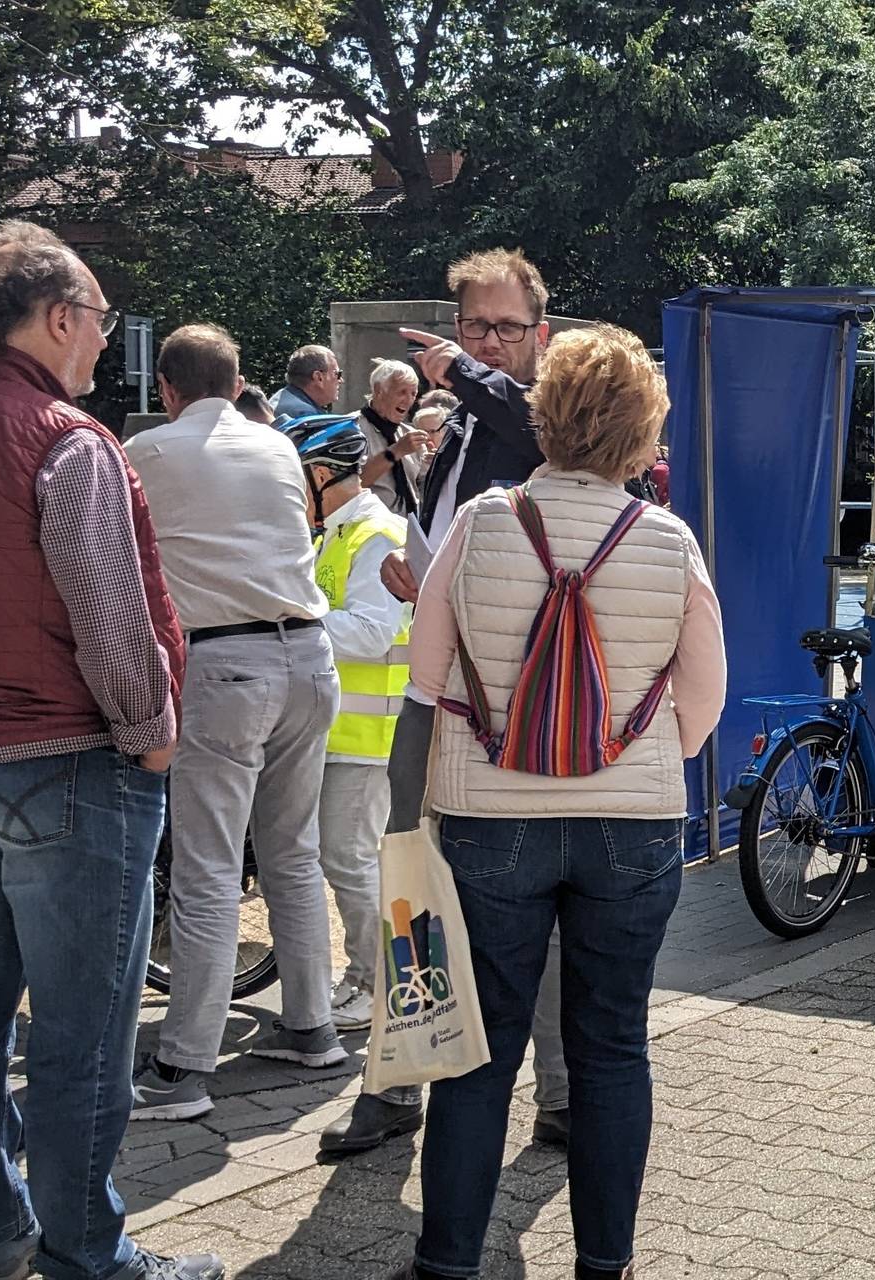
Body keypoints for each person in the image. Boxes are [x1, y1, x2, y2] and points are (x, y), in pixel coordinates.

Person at [0, 220, 214, 1280]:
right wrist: (152, 732)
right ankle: (91, 1252)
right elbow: (110, 613)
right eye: (100, 321)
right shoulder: (65, 437)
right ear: (62, 318)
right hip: (70, 760)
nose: (102, 343)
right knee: (85, 1032)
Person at [388, 322, 727, 1280]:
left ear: (544, 416)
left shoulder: (483, 522)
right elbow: (703, 696)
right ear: (640, 431)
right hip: (631, 825)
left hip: (492, 818)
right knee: (612, 1045)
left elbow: (425, 672)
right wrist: (634, 757)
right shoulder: (668, 540)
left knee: (480, 1052)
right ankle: (603, 1263)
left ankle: (448, 1260)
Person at [123, 324, 344, 1122]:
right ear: (239, 379)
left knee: (208, 869)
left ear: (166, 391)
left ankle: (184, 1066)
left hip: (223, 665)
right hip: (310, 658)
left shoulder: (146, 453)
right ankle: (312, 1026)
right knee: (293, 854)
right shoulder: (278, 447)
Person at [382, 248, 574, 1145]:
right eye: (472, 327)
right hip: (437, 694)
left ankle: (561, 1095)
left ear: (542, 335)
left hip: (513, 711)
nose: (488, 344)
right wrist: (413, 570)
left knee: (522, 910)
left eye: (505, 328)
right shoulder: (456, 424)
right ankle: (401, 1079)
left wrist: (463, 370)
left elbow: (531, 428)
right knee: (410, 890)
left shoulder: (548, 420)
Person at [275, 417, 433, 1157]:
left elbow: (372, 632)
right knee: (344, 861)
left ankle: (374, 985)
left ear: (326, 473)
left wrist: (296, 618)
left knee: (352, 860)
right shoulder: (336, 533)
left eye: (298, 474)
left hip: (370, 736)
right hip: (341, 732)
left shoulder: (374, 534)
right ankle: (367, 979)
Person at [358, 357, 431, 516]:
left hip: (409, 530)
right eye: (401, 392)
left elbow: (424, 488)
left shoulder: (409, 434)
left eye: (413, 393)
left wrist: (437, 465)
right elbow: (351, 486)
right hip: (370, 529)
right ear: (378, 391)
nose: (409, 400)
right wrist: (395, 452)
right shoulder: (353, 430)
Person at [274, 343, 342, 421]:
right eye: (337, 374)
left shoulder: (283, 398)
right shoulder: (305, 417)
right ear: (318, 377)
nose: (341, 380)